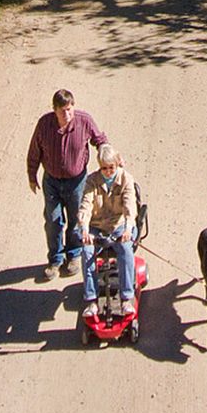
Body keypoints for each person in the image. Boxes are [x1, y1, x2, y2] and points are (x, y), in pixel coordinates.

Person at [26, 89, 107, 281]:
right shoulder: (44, 125)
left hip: (77, 181)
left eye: (70, 109)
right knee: (53, 222)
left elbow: (100, 140)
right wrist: (32, 175)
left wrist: (106, 155)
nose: (67, 114)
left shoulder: (84, 121)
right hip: (51, 181)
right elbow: (34, 151)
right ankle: (55, 260)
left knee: (76, 220)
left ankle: (74, 255)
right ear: (54, 110)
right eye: (62, 111)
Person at [76, 144, 138, 318]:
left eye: (111, 167)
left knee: (125, 249)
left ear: (118, 164)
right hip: (97, 227)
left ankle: (126, 298)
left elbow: (129, 206)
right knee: (87, 252)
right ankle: (91, 300)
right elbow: (86, 205)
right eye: (104, 168)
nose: (108, 171)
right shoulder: (91, 181)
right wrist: (85, 229)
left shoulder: (126, 179)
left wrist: (127, 228)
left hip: (119, 227)